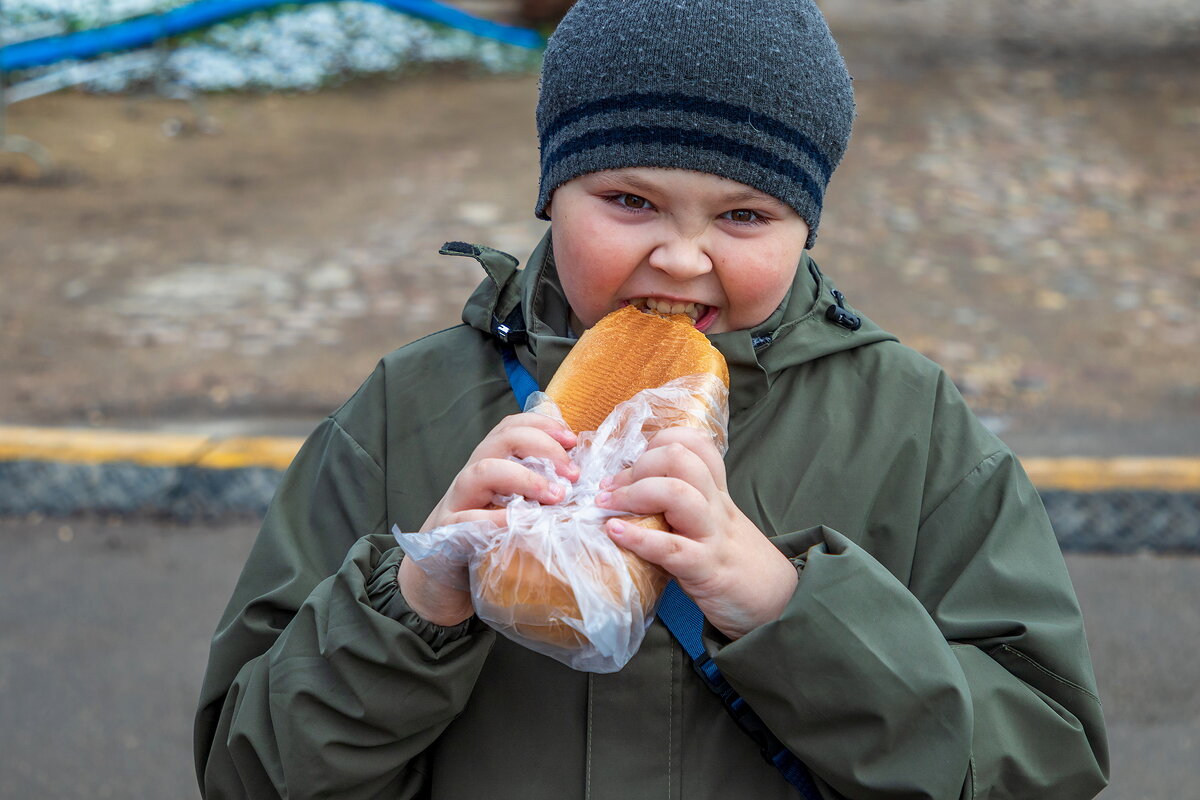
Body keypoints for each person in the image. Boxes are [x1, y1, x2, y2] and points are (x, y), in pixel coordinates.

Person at [194, 1, 1109, 797]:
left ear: (805, 224)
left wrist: (789, 610)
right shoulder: (408, 408)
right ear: (555, 194)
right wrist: (417, 594)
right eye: (630, 199)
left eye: (745, 215)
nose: (681, 257)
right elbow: (251, 775)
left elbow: (1042, 763)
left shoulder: (905, 427)